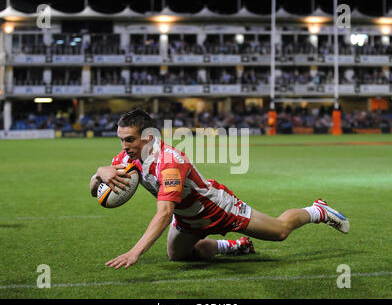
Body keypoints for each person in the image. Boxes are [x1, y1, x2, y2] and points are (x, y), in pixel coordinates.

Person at [89, 109, 350, 269]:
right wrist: (100, 172)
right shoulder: (125, 159)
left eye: (129, 139)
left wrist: (135, 253)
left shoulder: (169, 162)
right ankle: (236, 246)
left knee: (280, 231)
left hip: (218, 208)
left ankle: (318, 211)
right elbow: (94, 190)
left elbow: (164, 213)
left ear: (149, 136)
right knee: (178, 257)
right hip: (188, 218)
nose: (124, 145)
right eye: (121, 139)